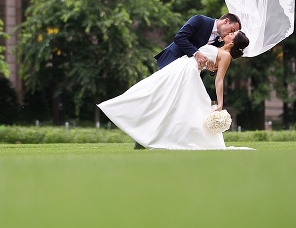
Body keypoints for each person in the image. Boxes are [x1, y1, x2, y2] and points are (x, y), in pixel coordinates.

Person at [99, 30, 253, 150]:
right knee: (153, 89)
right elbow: (207, 60)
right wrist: (209, 64)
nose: (229, 33)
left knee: (183, 105)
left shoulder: (225, 55)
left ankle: (152, 136)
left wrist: (220, 104)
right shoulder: (217, 46)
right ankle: (139, 129)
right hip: (182, 65)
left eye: (232, 34)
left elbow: (219, 79)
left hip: (189, 72)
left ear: (232, 42)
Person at [154, 13, 242, 71]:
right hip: (173, 59)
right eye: (231, 30)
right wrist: (196, 53)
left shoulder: (220, 39)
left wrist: (210, 69)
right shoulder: (200, 20)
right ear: (226, 21)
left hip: (191, 70)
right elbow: (179, 38)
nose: (230, 34)